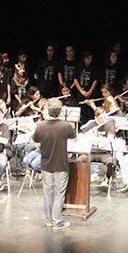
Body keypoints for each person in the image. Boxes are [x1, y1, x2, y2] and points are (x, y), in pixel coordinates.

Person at [32, 98, 76, 229]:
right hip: (60, 164)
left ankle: (48, 220)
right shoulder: (66, 126)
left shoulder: (40, 126)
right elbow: (74, 139)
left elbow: (37, 142)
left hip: (46, 163)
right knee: (59, 194)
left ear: (48, 110)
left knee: (47, 193)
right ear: (60, 111)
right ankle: (57, 222)